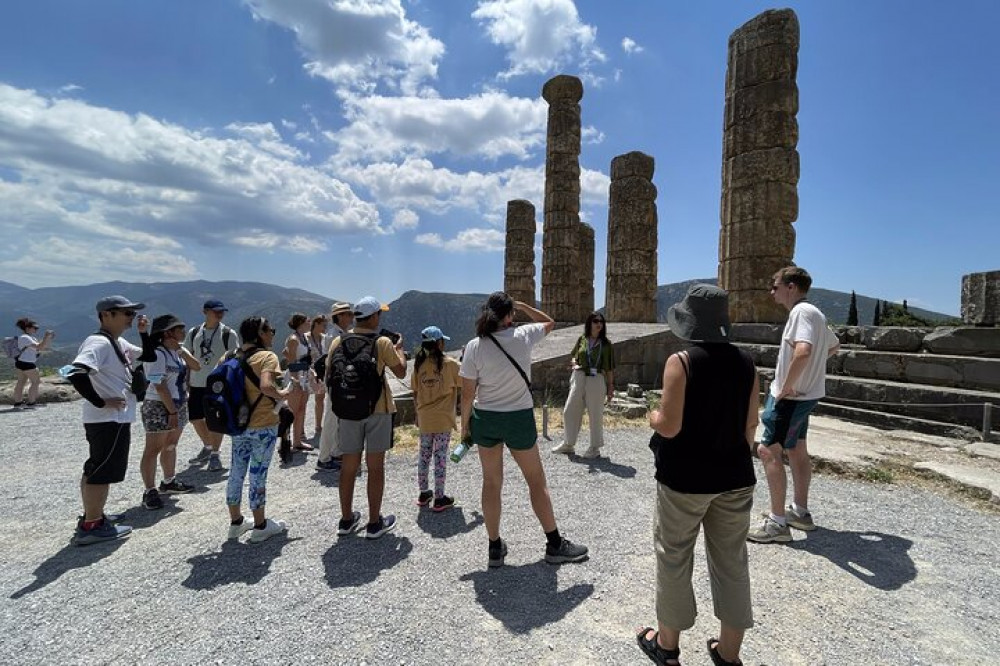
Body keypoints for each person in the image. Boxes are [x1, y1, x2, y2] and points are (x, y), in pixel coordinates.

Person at [636, 284, 759, 666]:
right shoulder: (747, 363)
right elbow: (750, 427)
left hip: (685, 478)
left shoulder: (682, 362)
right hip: (736, 476)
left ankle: (668, 647)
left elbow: (669, 426)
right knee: (732, 562)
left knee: (673, 556)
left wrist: (652, 415)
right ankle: (728, 652)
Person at [459, 292, 588, 568]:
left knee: (491, 482)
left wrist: (464, 427)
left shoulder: (473, 346)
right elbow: (550, 321)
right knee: (536, 481)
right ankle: (554, 544)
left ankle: (494, 547)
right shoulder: (523, 335)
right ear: (509, 315)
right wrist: (524, 306)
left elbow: (468, 393)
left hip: (486, 418)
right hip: (517, 418)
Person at [748, 266, 840, 544]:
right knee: (796, 448)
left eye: (775, 286)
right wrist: (810, 374)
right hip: (807, 395)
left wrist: (786, 385)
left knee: (767, 450)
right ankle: (799, 511)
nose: (771, 291)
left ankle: (777, 523)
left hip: (791, 396)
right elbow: (834, 346)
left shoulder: (801, 312)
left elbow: (803, 350)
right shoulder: (816, 314)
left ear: (791, 287)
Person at [65, 295, 153, 545]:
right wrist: (101, 401)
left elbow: (147, 356)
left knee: (95, 467)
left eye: (132, 314)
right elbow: (76, 372)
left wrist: (144, 332)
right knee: (101, 472)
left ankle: (93, 515)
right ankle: (92, 525)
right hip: (107, 420)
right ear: (106, 315)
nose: (131, 318)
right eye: (126, 314)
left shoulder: (117, 341)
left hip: (110, 420)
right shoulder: (98, 343)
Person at [329, 296, 406, 539]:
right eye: (379, 314)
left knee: (349, 467)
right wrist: (399, 350)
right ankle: (374, 523)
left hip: (347, 411)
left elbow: (329, 374)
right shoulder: (382, 342)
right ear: (373, 317)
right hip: (378, 409)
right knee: (375, 467)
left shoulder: (337, 342)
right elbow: (401, 370)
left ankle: (346, 520)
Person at [225, 316, 293, 543]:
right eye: (270, 330)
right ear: (260, 334)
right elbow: (266, 386)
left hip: (238, 425)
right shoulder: (266, 356)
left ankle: (236, 523)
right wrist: (282, 394)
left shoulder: (230, 356)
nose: (273, 333)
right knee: (257, 474)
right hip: (263, 425)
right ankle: (260, 525)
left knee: (236, 472)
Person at [139, 315, 200, 510]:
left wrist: (181, 350)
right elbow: (159, 385)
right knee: (153, 448)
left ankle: (169, 481)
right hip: (159, 405)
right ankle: (149, 490)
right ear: (167, 333)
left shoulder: (175, 353)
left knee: (171, 445)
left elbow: (196, 365)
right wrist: (172, 412)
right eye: (179, 329)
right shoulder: (157, 354)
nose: (183, 332)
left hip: (178, 403)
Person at [185, 299, 239, 472]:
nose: (220, 313)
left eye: (221, 311)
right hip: (196, 382)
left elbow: (234, 358)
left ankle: (215, 454)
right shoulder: (194, 332)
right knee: (195, 418)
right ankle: (208, 446)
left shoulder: (228, 333)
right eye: (216, 311)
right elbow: (187, 355)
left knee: (215, 420)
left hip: (217, 384)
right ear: (205, 312)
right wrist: (186, 379)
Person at [552, 311, 616, 458]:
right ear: (589, 323)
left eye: (601, 321)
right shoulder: (582, 339)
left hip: (596, 378)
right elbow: (574, 356)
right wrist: (574, 363)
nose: (599, 324)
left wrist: (611, 386)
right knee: (569, 410)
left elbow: (609, 368)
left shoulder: (606, 345)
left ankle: (594, 448)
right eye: (595, 321)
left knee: (595, 413)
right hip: (579, 376)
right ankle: (568, 443)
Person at [411, 325, 460, 512]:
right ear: (439, 343)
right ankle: (440, 498)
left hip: (424, 418)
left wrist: (417, 413)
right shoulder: (450, 364)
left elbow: (415, 391)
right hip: (442, 419)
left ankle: (424, 493)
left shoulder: (418, 365)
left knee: (424, 456)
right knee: (440, 458)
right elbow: (468, 378)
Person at [316, 303, 354, 471]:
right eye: (348, 314)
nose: (351, 317)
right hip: (335, 380)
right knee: (331, 419)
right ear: (340, 316)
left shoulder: (340, 333)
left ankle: (335, 451)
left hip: (338, 380)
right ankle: (323, 457)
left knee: (337, 418)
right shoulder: (334, 336)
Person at [282, 312, 313, 452]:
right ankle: (285, 442)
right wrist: (295, 381)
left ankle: (297, 441)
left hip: (304, 376)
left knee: (301, 410)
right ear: (300, 323)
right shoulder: (294, 339)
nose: (310, 323)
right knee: (292, 411)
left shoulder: (304, 338)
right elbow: (291, 361)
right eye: (308, 321)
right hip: (296, 377)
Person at [12, 317, 54, 409]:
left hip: (20, 362)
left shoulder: (29, 338)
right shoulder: (25, 338)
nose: (36, 329)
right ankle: (31, 402)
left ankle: (18, 402)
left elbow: (41, 347)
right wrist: (46, 336)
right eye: (34, 328)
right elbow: (39, 347)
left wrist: (48, 339)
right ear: (27, 328)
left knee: (21, 382)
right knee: (36, 382)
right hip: (28, 363)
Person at [306, 314, 328, 441]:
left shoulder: (324, 338)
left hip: (320, 372)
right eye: (323, 324)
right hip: (308, 372)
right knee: (303, 402)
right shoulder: (306, 338)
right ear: (317, 324)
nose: (325, 327)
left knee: (320, 399)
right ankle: (300, 431)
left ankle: (318, 426)